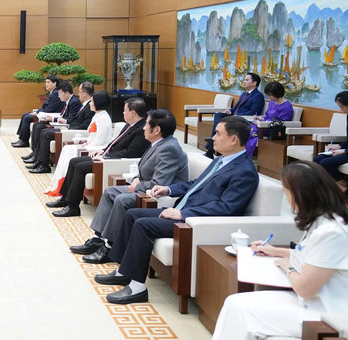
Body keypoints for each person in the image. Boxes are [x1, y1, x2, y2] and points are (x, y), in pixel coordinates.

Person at [204, 160, 348, 340]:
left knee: (244, 313)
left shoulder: (333, 233)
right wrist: (276, 251)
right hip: (316, 302)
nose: (287, 199)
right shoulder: (324, 221)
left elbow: (305, 288)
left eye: (287, 192)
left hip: (330, 313)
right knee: (234, 303)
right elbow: (314, 258)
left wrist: (288, 267)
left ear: (302, 194)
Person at [93, 116, 258, 304]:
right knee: (132, 214)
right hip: (184, 210)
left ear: (233, 139)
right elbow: (197, 184)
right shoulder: (221, 160)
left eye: (218, 133)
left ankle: (138, 288)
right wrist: (169, 189)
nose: (213, 138)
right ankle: (124, 271)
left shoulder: (244, 171)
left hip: (195, 221)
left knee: (143, 225)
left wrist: (184, 214)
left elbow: (227, 208)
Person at [68, 109, 189, 261]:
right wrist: (137, 179)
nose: (143, 127)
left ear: (156, 129)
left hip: (158, 196)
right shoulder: (158, 143)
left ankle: (111, 248)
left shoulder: (169, 148)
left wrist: (137, 186)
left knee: (122, 199)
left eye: (146, 124)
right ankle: (98, 239)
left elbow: (160, 183)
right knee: (110, 191)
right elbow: (146, 170)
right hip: (146, 188)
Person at [47, 97, 150, 216]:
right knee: (74, 161)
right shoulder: (129, 125)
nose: (122, 112)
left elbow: (131, 152)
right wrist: (102, 151)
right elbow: (114, 143)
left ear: (133, 113)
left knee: (81, 167)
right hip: (107, 155)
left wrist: (106, 157)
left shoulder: (141, 130)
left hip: (114, 161)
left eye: (124, 110)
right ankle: (65, 198)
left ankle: (73, 207)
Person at [43, 90, 114, 198]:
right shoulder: (97, 116)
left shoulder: (103, 118)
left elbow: (100, 141)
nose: (90, 103)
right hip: (92, 144)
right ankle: (60, 184)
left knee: (70, 151)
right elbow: (92, 136)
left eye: (92, 102)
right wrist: (86, 142)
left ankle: (64, 187)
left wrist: (86, 145)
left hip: (98, 147)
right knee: (67, 148)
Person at [23, 81, 94, 171]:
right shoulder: (85, 105)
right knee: (40, 128)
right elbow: (73, 119)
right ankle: (38, 159)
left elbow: (83, 125)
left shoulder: (86, 105)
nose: (78, 94)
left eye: (79, 92)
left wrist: (67, 127)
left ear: (84, 94)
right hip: (68, 126)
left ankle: (44, 165)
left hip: (73, 131)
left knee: (45, 133)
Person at [314, 90, 348, 191]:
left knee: (326, 162)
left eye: (342, 107)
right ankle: (332, 184)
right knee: (317, 159)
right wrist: (339, 146)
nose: (340, 109)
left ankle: (342, 183)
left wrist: (344, 151)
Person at [205, 72, 264, 158]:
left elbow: (253, 112)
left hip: (242, 120)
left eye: (247, 80)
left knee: (222, 123)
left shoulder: (258, 96)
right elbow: (236, 108)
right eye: (244, 79)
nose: (244, 82)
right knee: (218, 115)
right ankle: (215, 134)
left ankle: (211, 147)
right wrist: (229, 111)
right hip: (234, 117)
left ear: (254, 83)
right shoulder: (244, 94)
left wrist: (237, 116)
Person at [11, 75, 63, 148]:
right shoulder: (52, 92)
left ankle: (24, 141)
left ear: (54, 83)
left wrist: (37, 113)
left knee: (27, 118)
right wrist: (37, 111)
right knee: (25, 115)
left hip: (50, 114)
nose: (46, 84)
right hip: (45, 112)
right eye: (45, 82)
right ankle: (21, 139)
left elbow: (50, 108)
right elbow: (45, 107)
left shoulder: (56, 93)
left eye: (48, 82)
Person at [245, 81, 294, 155]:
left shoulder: (286, 106)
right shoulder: (272, 102)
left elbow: (280, 122)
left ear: (277, 94)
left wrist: (262, 123)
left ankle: (246, 154)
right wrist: (260, 119)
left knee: (249, 131)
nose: (269, 97)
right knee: (243, 127)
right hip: (263, 125)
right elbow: (267, 116)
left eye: (270, 95)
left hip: (272, 129)